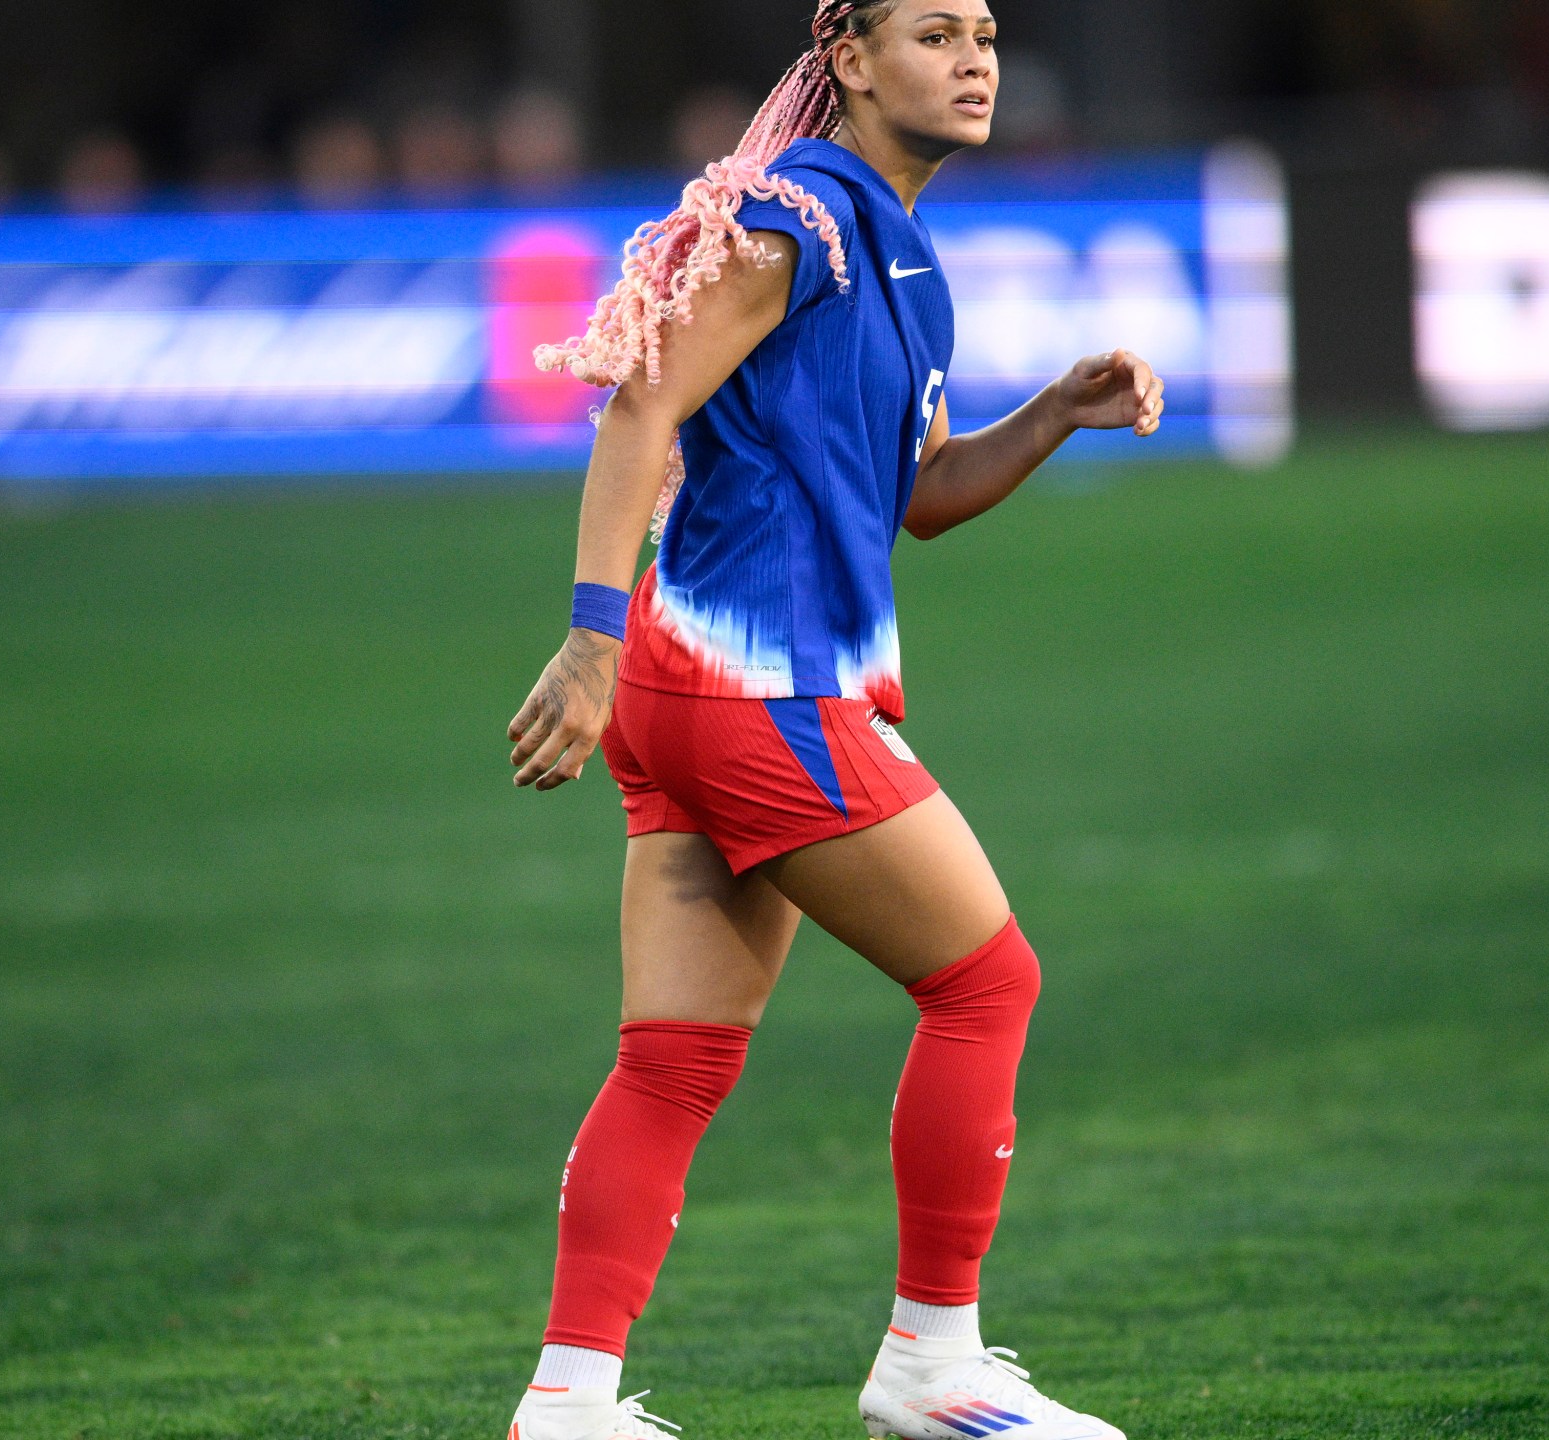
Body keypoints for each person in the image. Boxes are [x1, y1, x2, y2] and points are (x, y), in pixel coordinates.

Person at [502, 4, 1163, 1438]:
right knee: (987, 982)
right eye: (936, 33)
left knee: (674, 1060)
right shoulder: (800, 214)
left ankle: (568, 1401)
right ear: (850, 62)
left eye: (986, 31)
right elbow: (640, 405)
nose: (977, 56)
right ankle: (933, 1366)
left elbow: (913, 495)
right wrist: (585, 641)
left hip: (703, 693)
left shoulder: (904, 255)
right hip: (759, 687)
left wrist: (1053, 412)